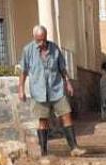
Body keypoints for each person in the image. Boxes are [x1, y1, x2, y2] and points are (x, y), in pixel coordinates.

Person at [19, 25, 84, 157]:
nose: (41, 43)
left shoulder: (54, 49)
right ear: (34, 38)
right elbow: (23, 71)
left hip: (56, 89)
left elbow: (62, 68)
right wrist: (21, 88)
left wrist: (68, 83)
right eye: (38, 40)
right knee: (43, 121)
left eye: (43, 40)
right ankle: (44, 152)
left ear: (46, 36)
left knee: (66, 115)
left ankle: (74, 148)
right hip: (39, 91)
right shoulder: (28, 50)